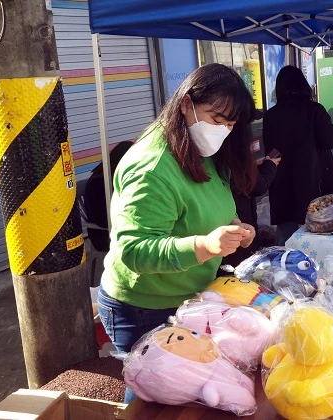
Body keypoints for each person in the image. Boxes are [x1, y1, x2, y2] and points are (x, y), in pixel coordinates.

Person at [97, 64, 258, 403]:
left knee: (191, 385)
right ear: (186, 104)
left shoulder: (204, 151)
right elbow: (135, 250)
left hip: (189, 295)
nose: (223, 132)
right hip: (143, 304)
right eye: (217, 119)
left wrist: (233, 226)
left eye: (230, 125)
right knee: (153, 393)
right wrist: (204, 245)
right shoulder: (152, 166)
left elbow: (209, 202)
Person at [264, 66, 333, 245]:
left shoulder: (271, 115)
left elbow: (271, 150)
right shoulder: (314, 110)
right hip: (312, 179)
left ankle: (284, 266)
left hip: (281, 179)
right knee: (319, 228)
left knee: (286, 232)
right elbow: (330, 140)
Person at [221, 154, 280, 268]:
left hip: (236, 219)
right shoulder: (234, 149)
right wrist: (269, 166)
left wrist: (250, 166)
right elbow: (259, 186)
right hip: (239, 219)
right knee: (240, 265)